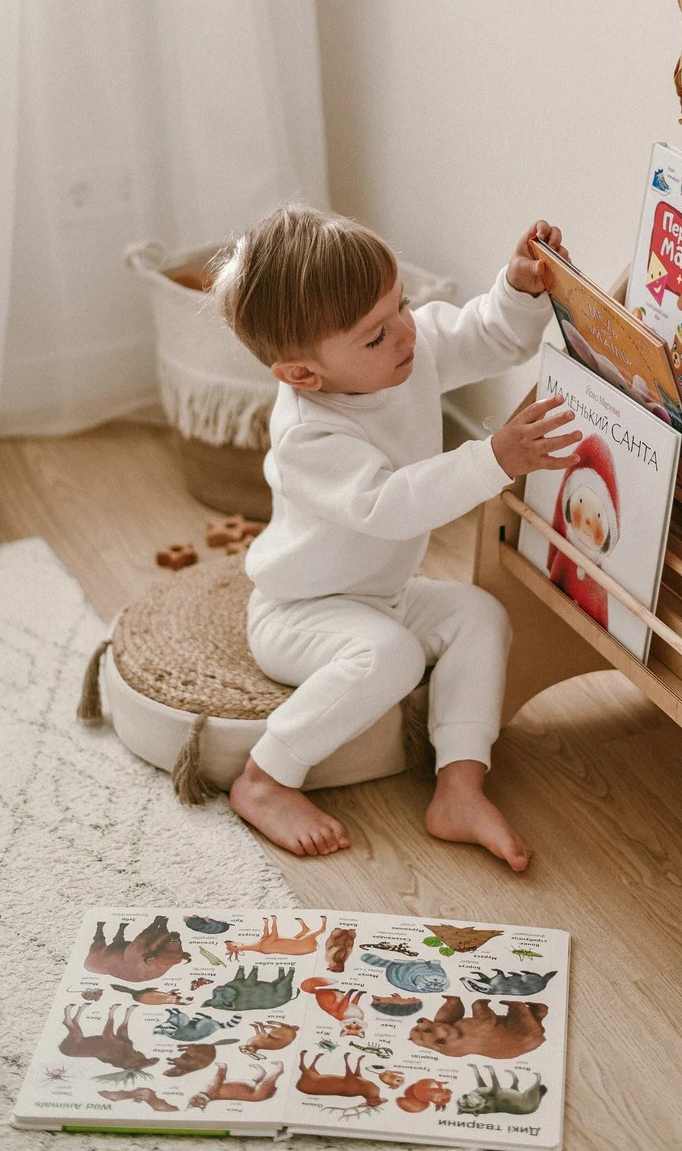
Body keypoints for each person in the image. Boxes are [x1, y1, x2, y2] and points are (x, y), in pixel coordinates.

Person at [212, 205, 580, 871]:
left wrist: (519, 289)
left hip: (380, 591)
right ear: (303, 375)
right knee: (392, 654)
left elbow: (490, 336)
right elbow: (389, 506)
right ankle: (265, 778)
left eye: (402, 306)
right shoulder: (308, 434)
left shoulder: (407, 346)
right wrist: (493, 458)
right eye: (375, 336)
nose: (406, 333)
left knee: (479, 614)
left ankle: (459, 788)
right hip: (300, 610)